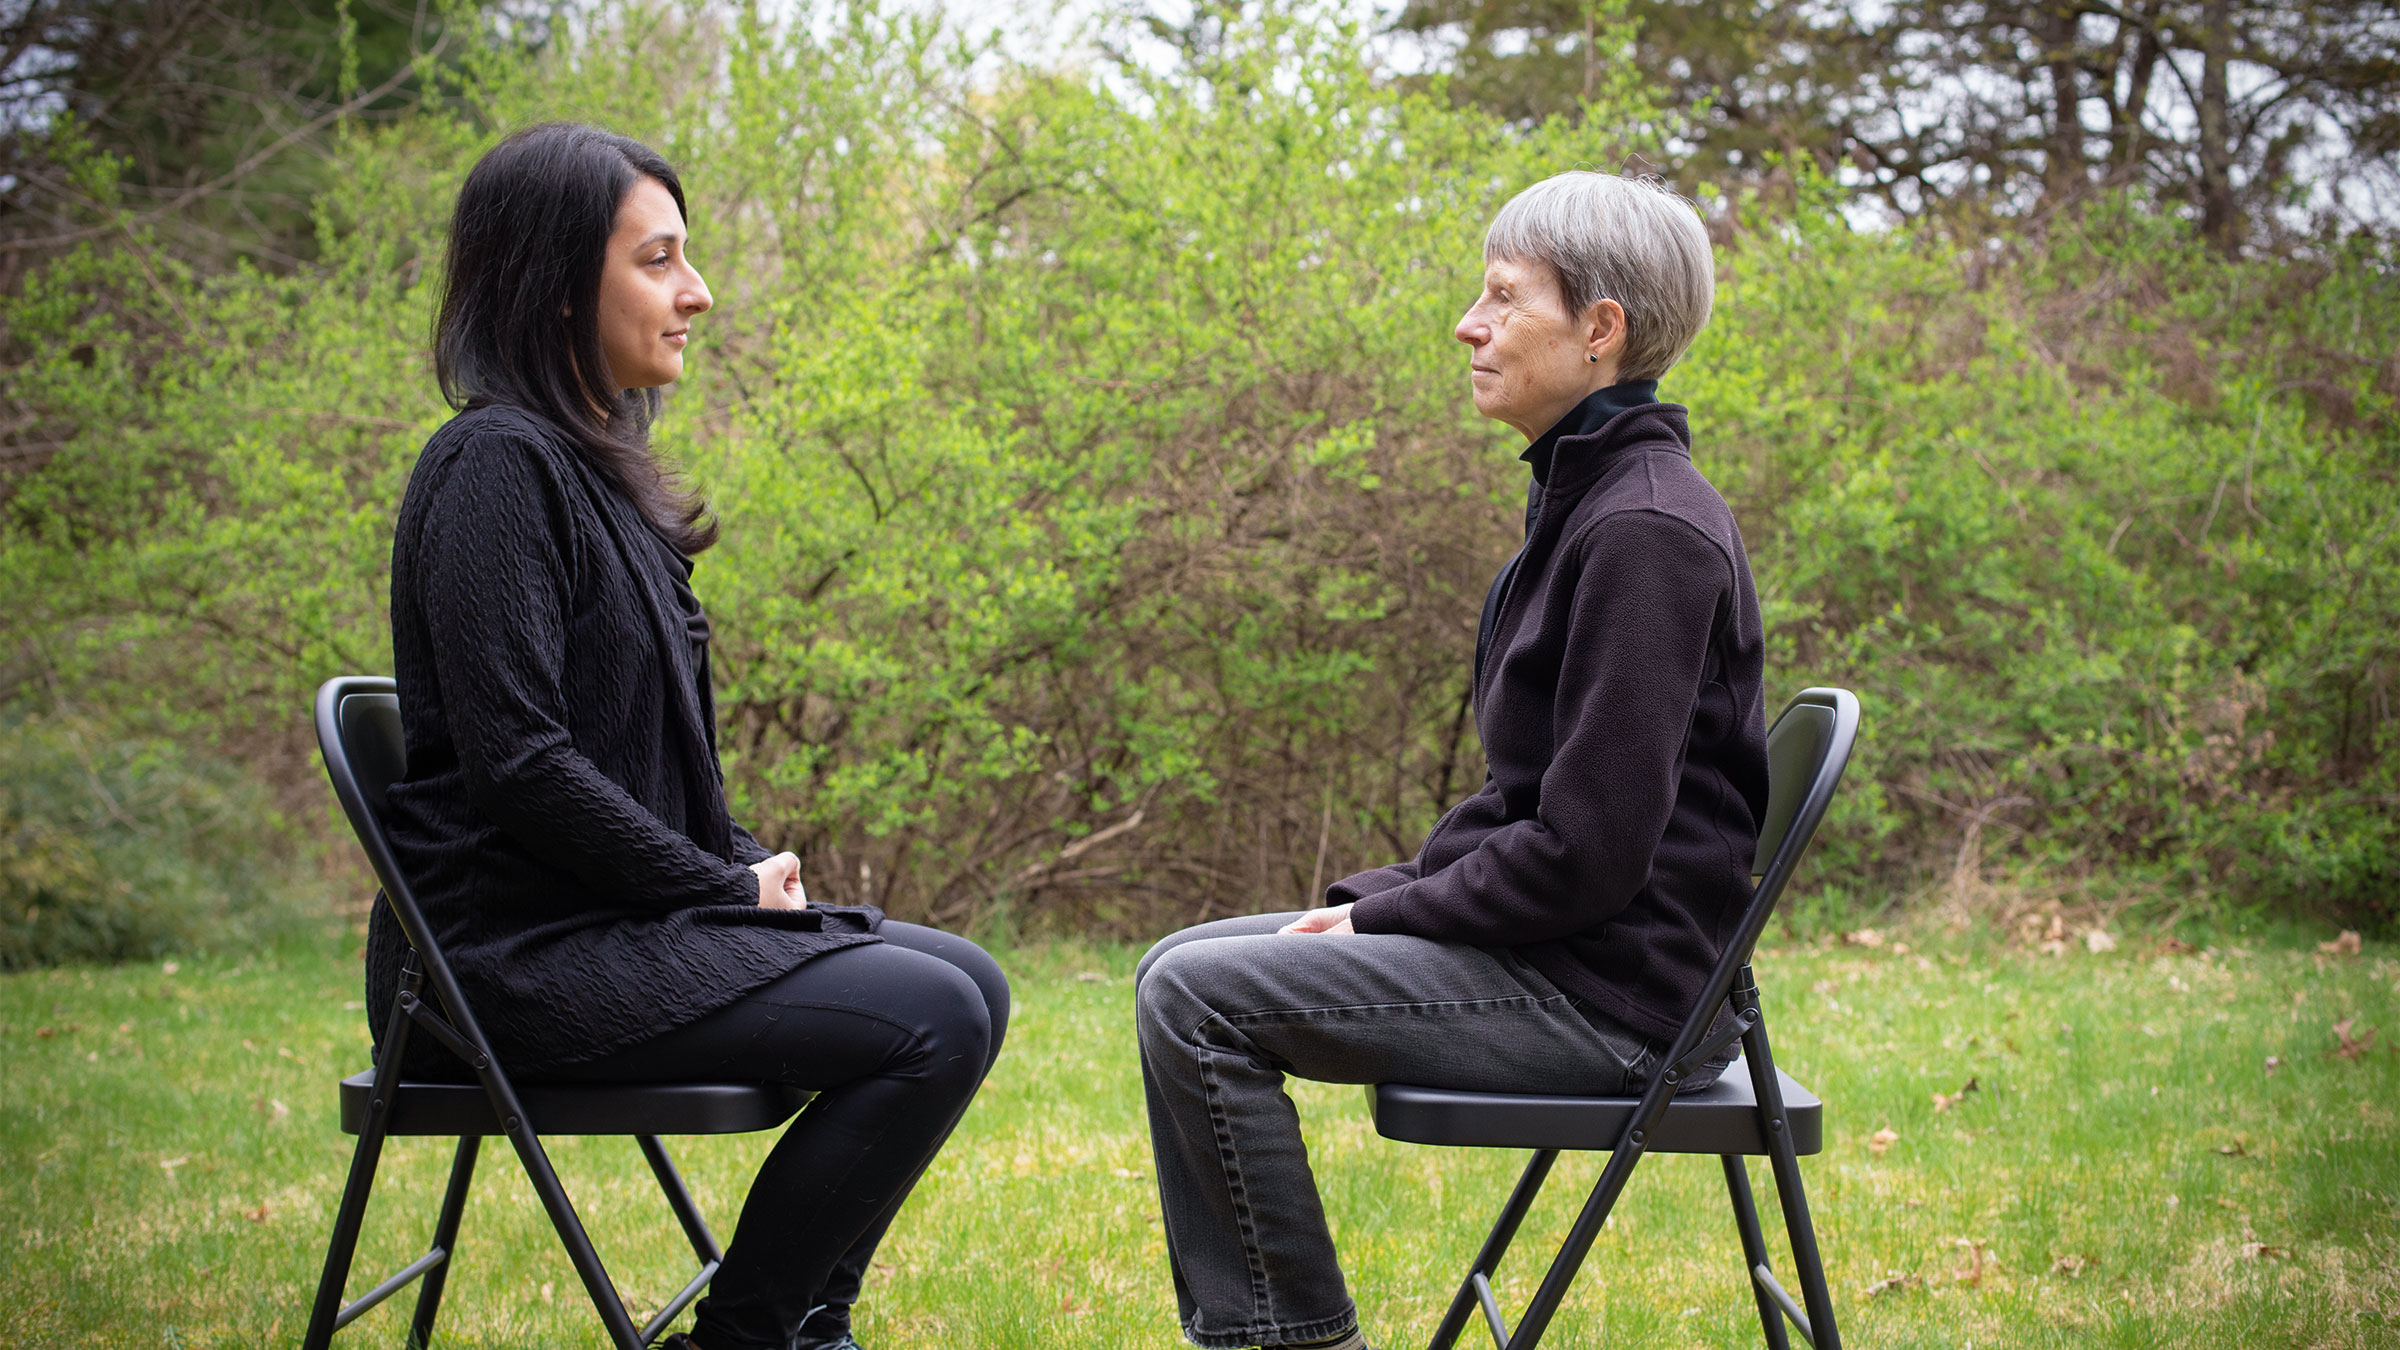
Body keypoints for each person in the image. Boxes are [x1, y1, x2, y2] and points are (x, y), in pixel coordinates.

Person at [366, 122, 1007, 1350]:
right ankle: (753, 1338)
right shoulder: (494, 467)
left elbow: (647, 765)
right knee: (933, 1019)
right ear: (558, 285)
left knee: (970, 982)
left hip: (597, 921)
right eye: (658, 260)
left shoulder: (598, 475)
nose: (697, 291)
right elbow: (521, 766)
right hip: (501, 961)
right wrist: (720, 889)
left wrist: (743, 862)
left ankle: (806, 1324)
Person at [1132, 170, 1768, 1350]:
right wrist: (1383, 898)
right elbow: (1525, 806)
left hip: (1616, 1002)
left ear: (1600, 329)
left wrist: (1383, 921)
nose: (1469, 326)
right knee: (1178, 962)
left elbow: (1586, 854)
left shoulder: (1643, 532)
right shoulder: (1587, 503)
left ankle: (1291, 1340)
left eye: (1503, 297)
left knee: (1195, 997)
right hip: (1577, 957)